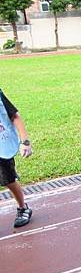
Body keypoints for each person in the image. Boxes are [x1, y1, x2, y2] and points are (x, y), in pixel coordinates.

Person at [0, 89, 33, 228]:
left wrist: (25, 142)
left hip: (2, 145)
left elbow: (15, 116)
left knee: (8, 180)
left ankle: (23, 207)